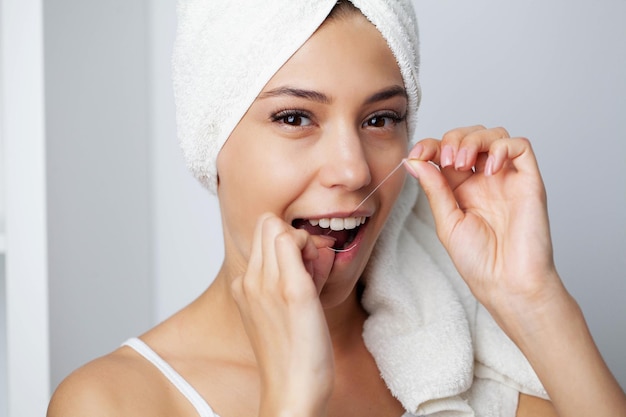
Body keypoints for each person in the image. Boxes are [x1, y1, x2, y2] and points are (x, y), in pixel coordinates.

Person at [47, 1, 626, 416]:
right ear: (211, 144)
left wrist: (532, 298)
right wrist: (291, 399)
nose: (353, 170)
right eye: (295, 118)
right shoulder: (115, 401)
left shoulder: (454, 361)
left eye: (381, 119)